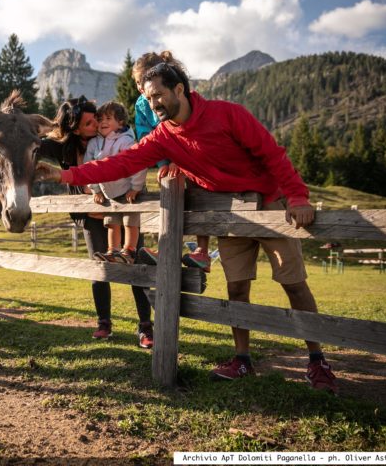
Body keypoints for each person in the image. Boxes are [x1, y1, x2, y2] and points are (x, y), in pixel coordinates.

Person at [37, 53, 338, 394]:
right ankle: (242, 359)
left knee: (293, 283)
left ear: (179, 89)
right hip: (230, 212)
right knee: (237, 287)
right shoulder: (164, 136)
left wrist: (297, 196)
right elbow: (120, 163)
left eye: (158, 96)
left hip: (269, 200)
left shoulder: (228, 114)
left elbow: (272, 153)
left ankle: (317, 361)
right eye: (148, 100)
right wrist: (66, 175)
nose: (153, 105)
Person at [39, 96, 154, 348]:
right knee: (99, 268)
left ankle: (146, 326)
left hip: (123, 211)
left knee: (138, 267)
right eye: (90, 122)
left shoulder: (113, 139)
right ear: (75, 128)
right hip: (92, 217)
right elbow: (37, 146)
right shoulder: (66, 147)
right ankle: (104, 322)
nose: (97, 124)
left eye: (99, 119)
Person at [132, 52, 211, 271]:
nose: (140, 87)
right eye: (137, 82)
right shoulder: (141, 104)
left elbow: (189, 130)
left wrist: (182, 161)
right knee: (168, 198)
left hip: (193, 158)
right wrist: (163, 163)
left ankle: (202, 252)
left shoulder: (180, 95)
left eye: (143, 80)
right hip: (168, 159)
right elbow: (146, 135)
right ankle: (167, 247)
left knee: (198, 198)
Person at [84, 101, 147, 264]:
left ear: (120, 122)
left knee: (130, 222)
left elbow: (137, 164)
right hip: (108, 194)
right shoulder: (94, 143)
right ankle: (113, 251)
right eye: (101, 119)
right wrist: (96, 189)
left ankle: (129, 251)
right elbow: (89, 167)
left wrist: (136, 187)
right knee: (112, 223)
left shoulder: (125, 141)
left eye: (108, 118)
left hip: (128, 191)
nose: (103, 122)